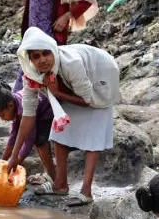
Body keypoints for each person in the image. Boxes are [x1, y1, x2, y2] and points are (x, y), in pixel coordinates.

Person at [7, 28, 120, 207]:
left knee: (94, 134)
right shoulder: (32, 75)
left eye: (46, 53)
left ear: (54, 50)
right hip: (69, 88)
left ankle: (86, 191)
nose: (42, 60)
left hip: (99, 73)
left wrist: (58, 93)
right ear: (30, 60)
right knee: (60, 132)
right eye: (36, 56)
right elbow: (28, 116)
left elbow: (89, 100)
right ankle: (60, 184)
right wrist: (14, 156)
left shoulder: (71, 63)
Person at [0, 80, 56, 185]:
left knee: (40, 141)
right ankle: (51, 174)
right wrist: (2, 162)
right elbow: (14, 135)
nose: (2, 119)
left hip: (47, 110)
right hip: (37, 110)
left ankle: (52, 175)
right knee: (35, 140)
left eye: (2, 115)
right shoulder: (15, 105)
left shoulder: (23, 108)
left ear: (10, 105)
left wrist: (17, 160)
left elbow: (30, 139)